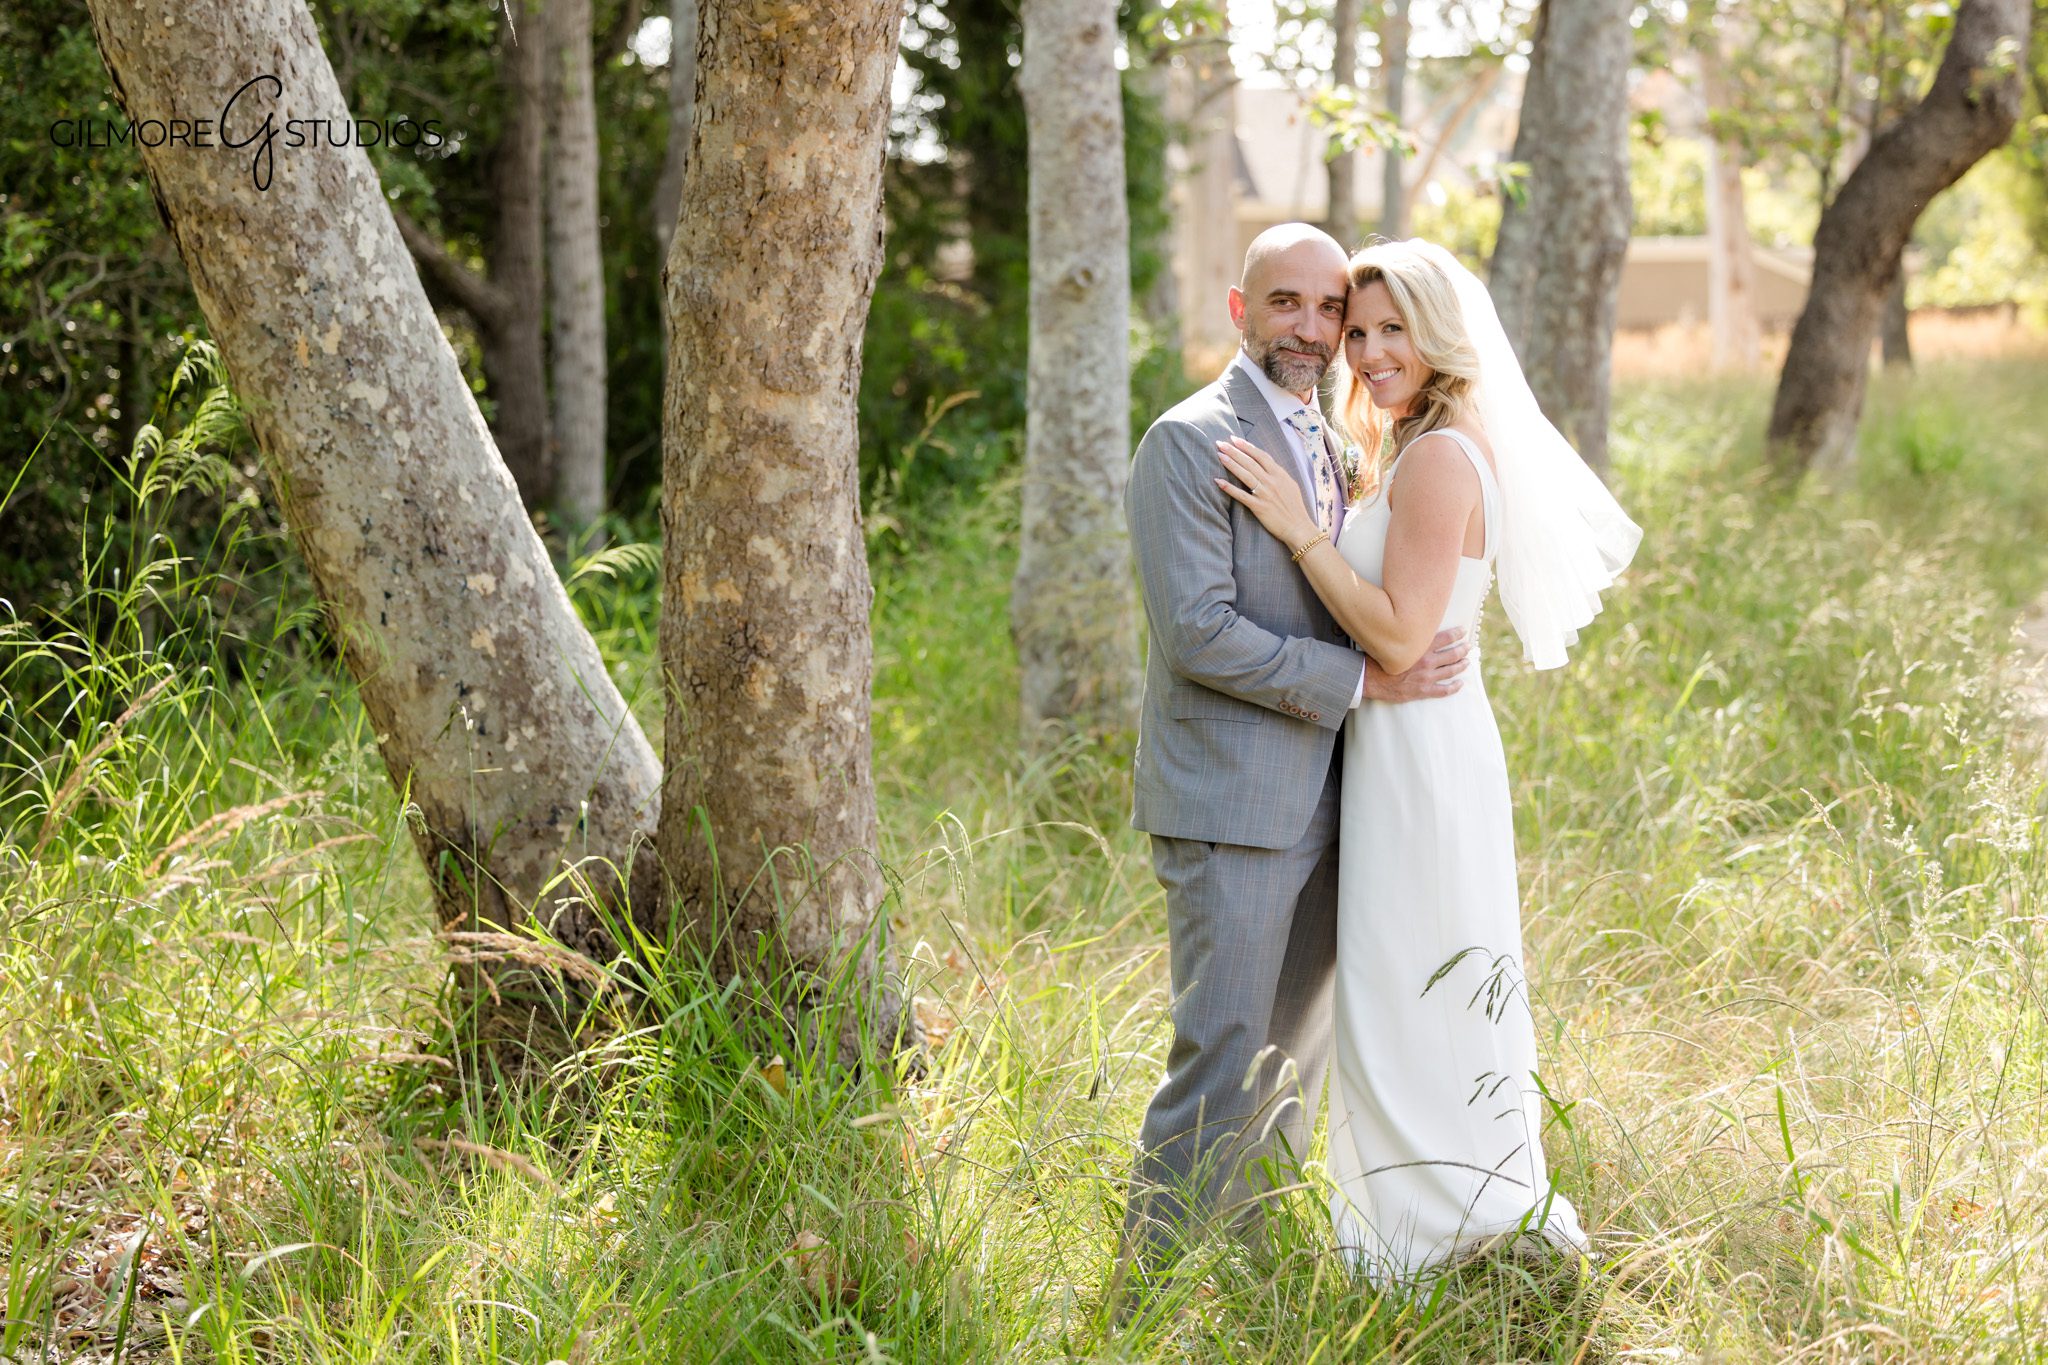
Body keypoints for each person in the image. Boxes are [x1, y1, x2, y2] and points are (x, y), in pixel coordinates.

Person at [1213, 238, 1641, 1283]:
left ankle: (1445, 1227)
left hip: (1422, 752)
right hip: (1398, 748)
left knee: (1419, 983)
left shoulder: (1444, 455)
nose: (1363, 351)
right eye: (1355, 331)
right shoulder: (1412, 446)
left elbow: (1400, 639)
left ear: (1439, 333)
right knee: (1402, 984)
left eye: (1388, 329)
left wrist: (1297, 532)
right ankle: (1418, 1219)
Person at [1117, 223, 1472, 1280]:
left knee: (1291, 1062)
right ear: (1240, 310)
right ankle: (1149, 1291)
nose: (1314, 332)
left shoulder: (1334, 444)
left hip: (1338, 800)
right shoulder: (1186, 441)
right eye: (1288, 304)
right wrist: (1367, 683)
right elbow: (1198, 634)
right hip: (1230, 800)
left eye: (1332, 312)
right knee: (1220, 1054)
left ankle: (1249, 1272)